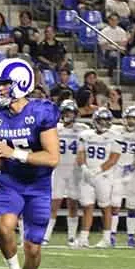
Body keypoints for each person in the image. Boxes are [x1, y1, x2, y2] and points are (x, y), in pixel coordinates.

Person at [0, 58, 60, 269]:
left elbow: (52, 158)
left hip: (38, 185)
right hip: (11, 181)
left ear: (21, 83)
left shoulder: (41, 112)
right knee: (5, 228)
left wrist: (13, 153)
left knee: (33, 249)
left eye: (5, 84)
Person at [44, 99, 87, 246]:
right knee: (53, 203)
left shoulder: (83, 129)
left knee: (73, 203)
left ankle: (71, 237)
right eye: (65, 112)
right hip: (58, 169)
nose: (68, 115)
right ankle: (46, 236)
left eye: (70, 112)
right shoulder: (55, 128)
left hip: (75, 170)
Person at [76, 107, 120, 248]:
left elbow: (114, 158)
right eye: (100, 120)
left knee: (105, 206)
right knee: (87, 206)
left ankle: (106, 238)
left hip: (104, 176)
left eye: (106, 120)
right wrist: (84, 167)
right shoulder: (85, 135)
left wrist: (98, 170)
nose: (103, 123)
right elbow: (81, 153)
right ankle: (84, 238)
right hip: (87, 175)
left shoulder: (115, 136)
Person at [108, 106, 135, 247]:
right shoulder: (114, 131)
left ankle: (131, 236)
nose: (131, 121)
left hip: (133, 171)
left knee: (132, 205)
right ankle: (112, 235)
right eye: (129, 118)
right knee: (115, 204)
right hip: (117, 170)